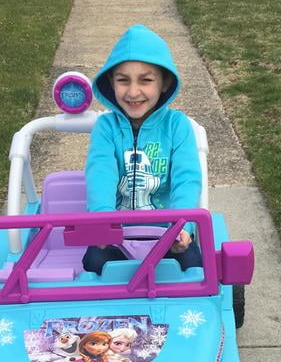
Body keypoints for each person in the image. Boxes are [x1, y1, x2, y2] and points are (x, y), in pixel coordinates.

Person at [82, 24, 203, 275]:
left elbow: (187, 179)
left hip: (168, 233)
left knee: (192, 265)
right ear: (111, 82)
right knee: (93, 264)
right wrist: (103, 221)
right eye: (123, 80)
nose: (133, 92)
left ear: (165, 82)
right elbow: (100, 174)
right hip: (116, 232)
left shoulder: (177, 126)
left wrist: (182, 225)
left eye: (146, 80)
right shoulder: (105, 127)